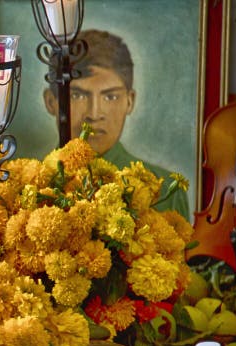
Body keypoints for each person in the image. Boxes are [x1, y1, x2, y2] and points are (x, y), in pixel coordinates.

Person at [42, 29, 191, 221]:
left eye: (110, 96)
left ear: (130, 101)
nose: (94, 114)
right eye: (77, 95)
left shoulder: (165, 191)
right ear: (51, 102)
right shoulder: (28, 184)